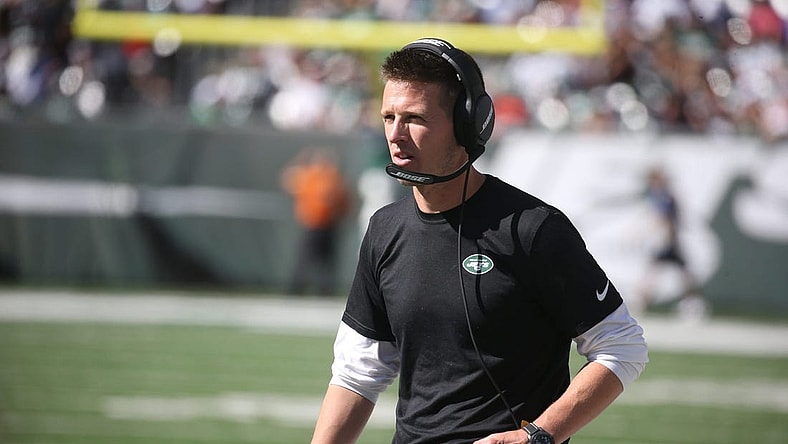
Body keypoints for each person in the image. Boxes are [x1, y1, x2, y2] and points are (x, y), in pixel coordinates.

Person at [311, 38, 648, 444]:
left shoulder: (532, 228)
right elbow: (357, 372)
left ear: (469, 123)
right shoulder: (384, 229)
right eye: (388, 117)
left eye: (415, 119)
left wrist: (537, 437)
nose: (396, 135)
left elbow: (622, 346)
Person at [636, 167, 707, 319]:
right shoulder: (660, 195)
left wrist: (665, 239)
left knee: (675, 273)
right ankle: (692, 303)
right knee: (664, 272)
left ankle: (693, 304)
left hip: (668, 241)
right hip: (668, 241)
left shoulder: (664, 196)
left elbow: (666, 220)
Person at [280, 146, 351, 296]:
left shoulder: (335, 179)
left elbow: (345, 202)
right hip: (312, 225)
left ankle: (325, 290)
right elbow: (287, 179)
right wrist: (300, 161)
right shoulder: (309, 176)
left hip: (330, 225)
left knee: (327, 262)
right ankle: (296, 289)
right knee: (305, 259)